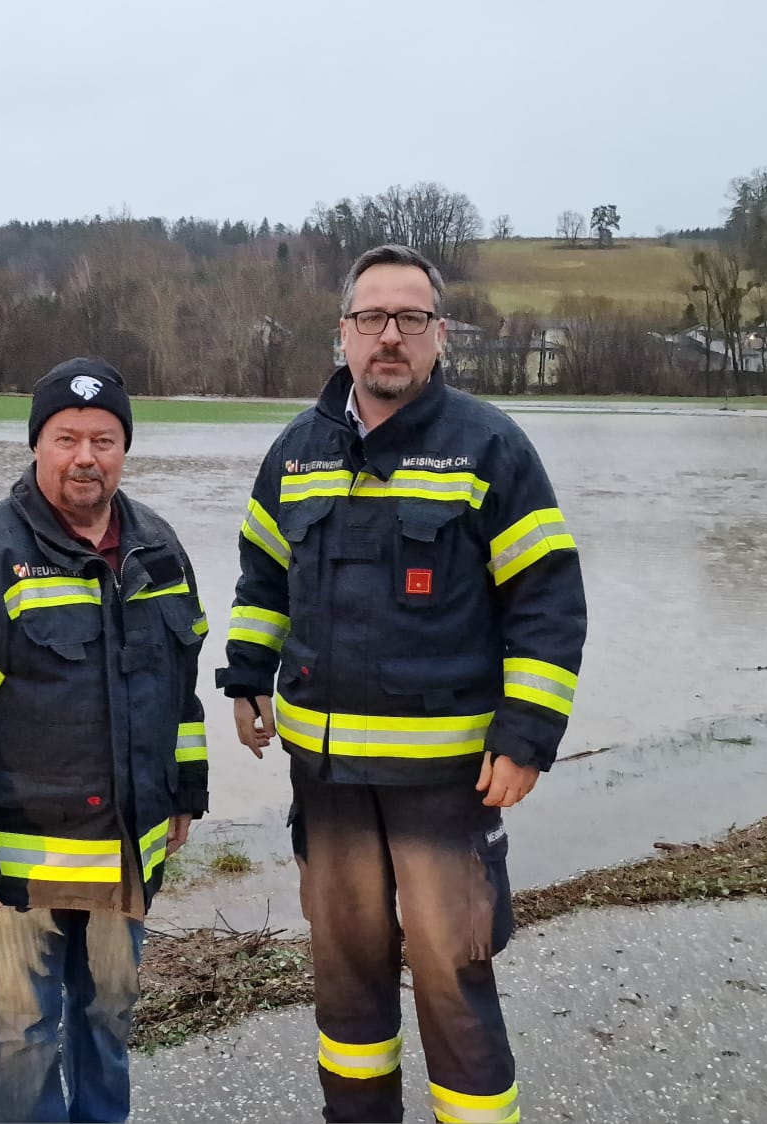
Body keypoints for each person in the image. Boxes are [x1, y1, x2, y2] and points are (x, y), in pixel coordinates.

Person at [217, 244, 587, 1123]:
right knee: (346, 991)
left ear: (439, 335)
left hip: (445, 788)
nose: (391, 336)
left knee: (454, 989)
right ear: (342, 334)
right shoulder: (296, 454)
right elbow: (263, 576)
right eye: (372, 319)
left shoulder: (489, 447)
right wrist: (245, 676)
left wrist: (528, 731)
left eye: (410, 319)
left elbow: (547, 597)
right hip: (328, 781)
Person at [0, 356, 210, 1123]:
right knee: (22, 1038)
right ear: (37, 444)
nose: (85, 457)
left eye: (103, 439)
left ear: (124, 449)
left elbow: (181, 689)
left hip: (125, 856)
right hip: (13, 874)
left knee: (108, 1023)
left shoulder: (158, 547)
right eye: (67, 438)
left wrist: (185, 793)